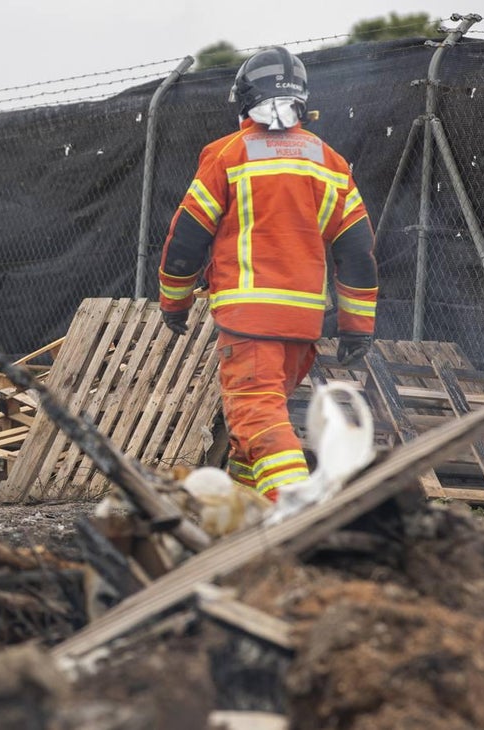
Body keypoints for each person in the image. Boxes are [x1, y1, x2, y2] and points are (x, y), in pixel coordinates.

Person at [157, 46, 378, 501]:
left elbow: (185, 240)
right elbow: (357, 254)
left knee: (257, 416)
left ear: (243, 98)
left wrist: (173, 302)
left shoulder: (228, 155)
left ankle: (297, 516)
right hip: (303, 329)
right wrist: (358, 329)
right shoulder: (331, 164)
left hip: (250, 321)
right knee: (250, 430)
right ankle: (242, 521)